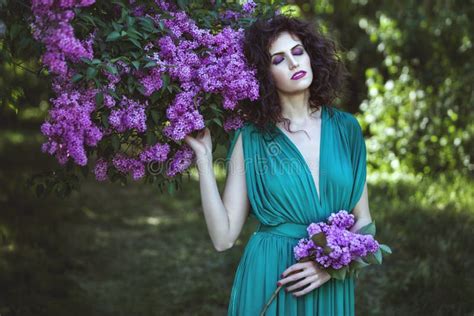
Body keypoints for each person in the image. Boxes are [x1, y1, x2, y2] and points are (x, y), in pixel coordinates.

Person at [184, 14, 372, 316]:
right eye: (278, 59)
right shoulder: (252, 138)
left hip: (330, 285)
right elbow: (223, 238)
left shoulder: (347, 129)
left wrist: (332, 268)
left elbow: (364, 222)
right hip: (270, 276)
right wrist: (204, 160)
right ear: (264, 74)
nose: (294, 63)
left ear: (312, 56)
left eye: (298, 52)